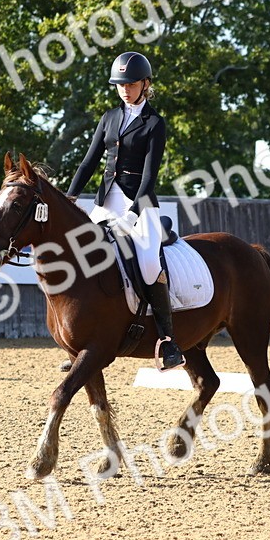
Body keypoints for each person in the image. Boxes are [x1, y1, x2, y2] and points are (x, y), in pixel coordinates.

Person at [65, 51, 184, 370]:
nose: (125, 89)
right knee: (81, 254)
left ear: (145, 84)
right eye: (120, 84)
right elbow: (89, 161)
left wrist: (132, 215)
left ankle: (168, 342)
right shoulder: (109, 118)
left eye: (131, 84)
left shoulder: (154, 124)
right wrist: (71, 196)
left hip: (140, 204)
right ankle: (79, 339)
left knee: (147, 266)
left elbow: (149, 178)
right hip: (106, 202)